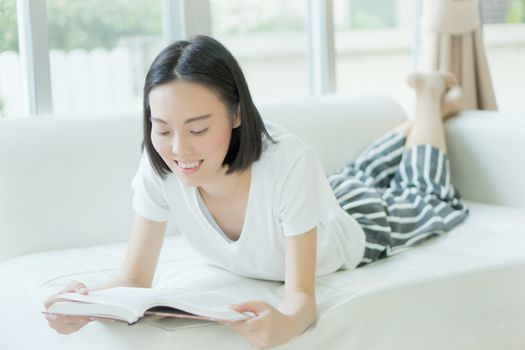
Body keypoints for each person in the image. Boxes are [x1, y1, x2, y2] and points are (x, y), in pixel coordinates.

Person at [44, 35, 469, 349]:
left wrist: (283, 324)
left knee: (426, 194)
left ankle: (429, 97)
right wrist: (81, 302)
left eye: (197, 129)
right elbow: (135, 278)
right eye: (162, 128)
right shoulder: (160, 165)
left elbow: (301, 298)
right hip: (319, 198)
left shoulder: (288, 163)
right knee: (358, 171)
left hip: (355, 226)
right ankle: (431, 113)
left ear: (235, 114)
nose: (179, 149)